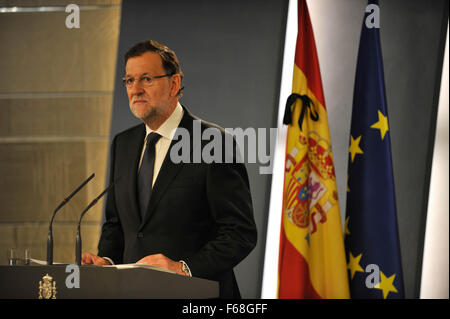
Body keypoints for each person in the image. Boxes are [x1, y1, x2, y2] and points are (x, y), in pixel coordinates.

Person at [81, 40, 257, 298]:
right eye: (129, 81)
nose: (136, 89)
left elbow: (240, 232)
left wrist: (184, 269)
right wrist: (107, 261)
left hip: (197, 295)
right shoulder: (124, 144)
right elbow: (116, 224)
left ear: (174, 84)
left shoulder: (211, 142)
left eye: (147, 79)